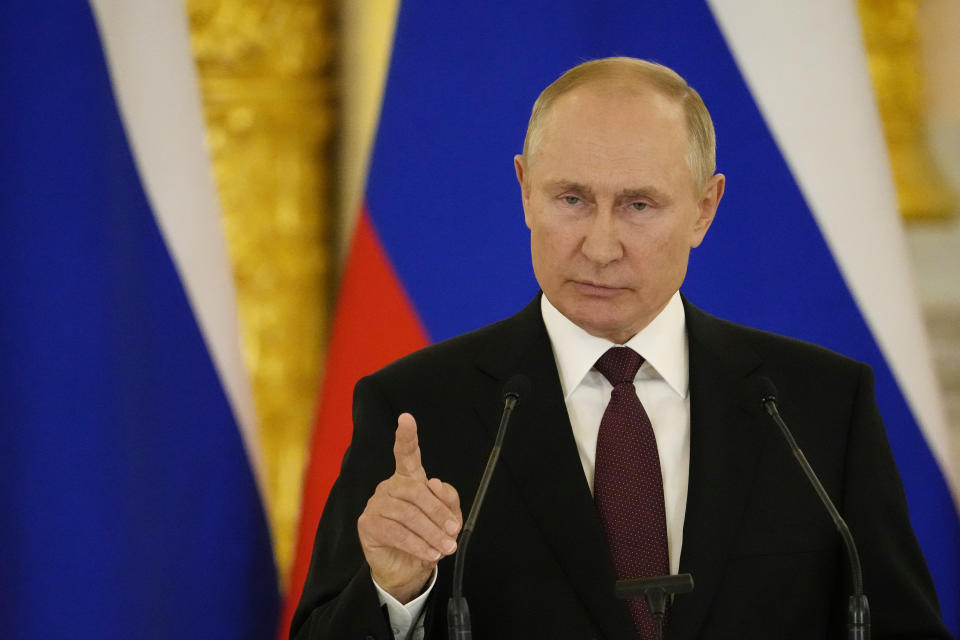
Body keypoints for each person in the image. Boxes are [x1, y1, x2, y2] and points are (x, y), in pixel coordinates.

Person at [291, 57, 950, 639]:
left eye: (638, 206)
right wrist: (396, 593)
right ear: (525, 190)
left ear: (703, 208)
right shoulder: (416, 409)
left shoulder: (817, 408)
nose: (600, 246)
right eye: (572, 199)